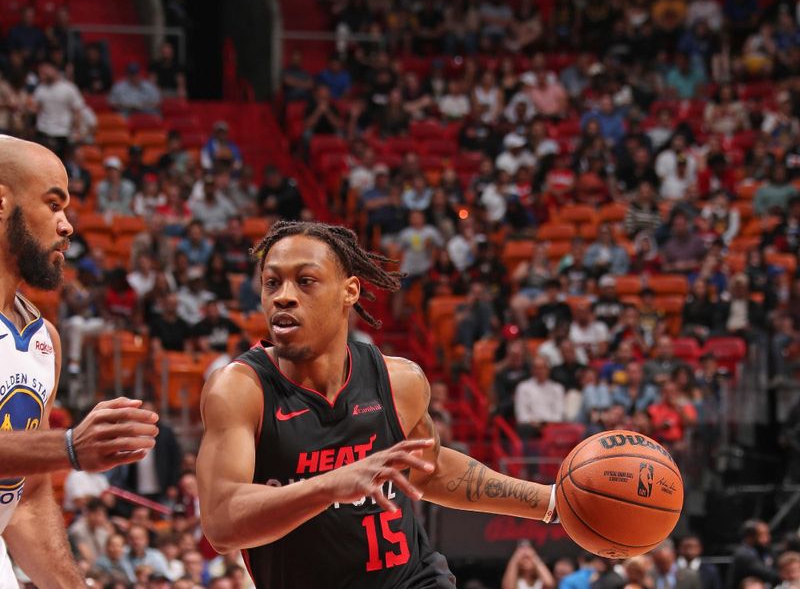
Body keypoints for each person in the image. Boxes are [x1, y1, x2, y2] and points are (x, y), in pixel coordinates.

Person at [197, 221, 560, 589]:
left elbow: (428, 470)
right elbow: (221, 522)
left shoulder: (398, 381)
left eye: (305, 281)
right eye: (271, 282)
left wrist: (551, 502)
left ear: (350, 291)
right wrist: (330, 486)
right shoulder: (241, 389)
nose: (283, 296)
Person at [0, 135, 159, 586]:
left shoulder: (42, 338)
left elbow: (26, 498)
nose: (67, 226)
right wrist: (67, 447)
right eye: (53, 205)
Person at [728, 520, 781, 589]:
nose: (768, 538)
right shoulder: (744, 554)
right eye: (763, 535)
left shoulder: (763, 551)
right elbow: (771, 575)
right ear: (750, 537)